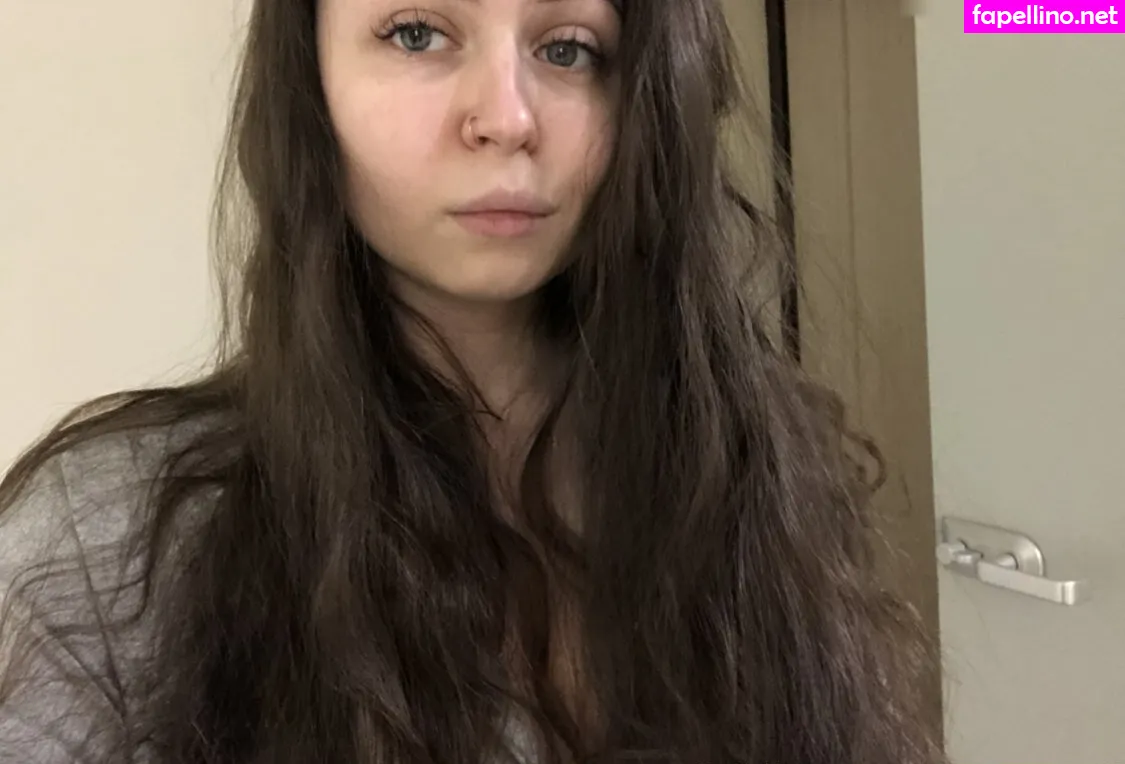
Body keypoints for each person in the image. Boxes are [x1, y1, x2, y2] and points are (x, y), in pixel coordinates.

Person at [0, 1, 944, 762]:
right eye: (417, 33)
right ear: (308, 81)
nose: (506, 117)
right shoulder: (108, 534)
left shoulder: (751, 471)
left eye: (568, 49)